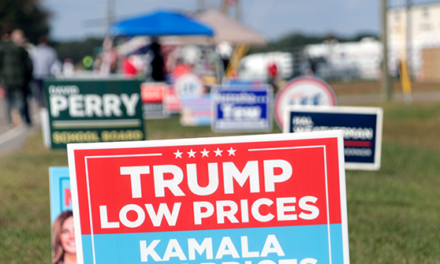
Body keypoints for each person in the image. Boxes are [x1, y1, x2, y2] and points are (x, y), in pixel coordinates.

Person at [0, 26, 33, 127]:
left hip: (5, 78)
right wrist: (28, 77)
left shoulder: (1, 48)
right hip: (20, 78)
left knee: (8, 101)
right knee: (22, 99)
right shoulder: (19, 48)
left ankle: (11, 120)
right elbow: (28, 64)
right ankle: (24, 120)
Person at [31, 35, 58, 108]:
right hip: (46, 74)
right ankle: (44, 105)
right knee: (45, 92)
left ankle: (40, 105)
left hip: (37, 74)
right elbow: (54, 63)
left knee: (38, 91)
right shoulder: (50, 51)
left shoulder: (35, 50)